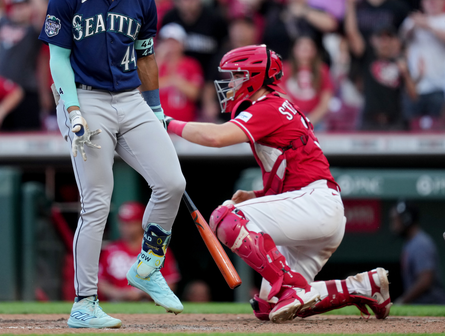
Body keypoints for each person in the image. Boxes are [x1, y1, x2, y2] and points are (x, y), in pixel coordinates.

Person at [162, 45, 391, 323]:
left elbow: (216, 138)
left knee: (225, 217)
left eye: (236, 76)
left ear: (254, 78)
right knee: (268, 308)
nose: (230, 83)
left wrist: (167, 123)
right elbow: (292, 172)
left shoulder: (268, 106)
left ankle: (289, 286)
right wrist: (257, 195)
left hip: (315, 204)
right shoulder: (278, 105)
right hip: (314, 207)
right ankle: (364, 288)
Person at [38, 0, 187, 328]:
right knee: (97, 203)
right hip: (85, 97)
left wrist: (155, 108)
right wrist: (72, 110)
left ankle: (147, 266)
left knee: (172, 182)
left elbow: (145, 56)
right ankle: (84, 303)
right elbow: (58, 59)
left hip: (130, 98)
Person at [98, 202, 181, 302]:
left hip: (149, 304)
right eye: (122, 223)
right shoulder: (110, 250)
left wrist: (142, 293)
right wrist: (120, 294)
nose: (125, 228)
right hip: (117, 303)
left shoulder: (157, 249)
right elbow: (101, 283)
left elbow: (170, 282)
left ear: (142, 223)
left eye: (131, 223)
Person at [0, 0, 45, 131]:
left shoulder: (33, 29)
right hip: (1, 91)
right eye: (16, 6)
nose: (19, 10)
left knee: (28, 138)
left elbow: (44, 14)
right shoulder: (4, 22)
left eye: (23, 6)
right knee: (2, 139)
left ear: (30, 8)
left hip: (25, 91)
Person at [260, 0, 338, 63]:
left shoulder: (314, 11)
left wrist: (304, 12)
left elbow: (332, 25)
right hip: (278, 61)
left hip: (310, 63)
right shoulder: (276, 9)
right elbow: (250, 3)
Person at [358, 26, 418, 130]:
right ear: (373, 40)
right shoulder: (367, 57)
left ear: (393, 41)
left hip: (395, 121)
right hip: (370, 121)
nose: (384, 42)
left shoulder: (400, 62)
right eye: (380, 38)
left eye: (388, 38)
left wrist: (406, 74)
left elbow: (414, 96)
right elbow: (352, 34)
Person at [399, 0, 445, 123]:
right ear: (422, 3)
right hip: (415, 87)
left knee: (439, 131)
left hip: (440, 86)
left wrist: (428, 25)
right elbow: (401, 39)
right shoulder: (413, 20)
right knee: (412, 129)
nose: (432, 2)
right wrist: (414, 25)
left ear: (442, 0)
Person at [389, 201, 445, 304]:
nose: (394, 224)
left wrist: (402, 301)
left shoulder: (420, 243)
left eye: (396, 219)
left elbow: (425, 280)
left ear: (406, 219)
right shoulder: (410, 243)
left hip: (432, 304)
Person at [280, 36, 335, 128]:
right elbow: (280, 94)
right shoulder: (284, 69)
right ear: (294, 50)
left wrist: (309, 121)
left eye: (308, 45)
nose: (305, 48)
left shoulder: (322, 70)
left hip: (315, 120)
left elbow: (325, 103)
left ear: (315, 50)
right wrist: (296, 118)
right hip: (289, 117)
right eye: (301, 45)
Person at [156, 23, 203, 123]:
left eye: (174, 42)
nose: (170, 46)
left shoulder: (191, 64)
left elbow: (194, 93)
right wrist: (159, 57)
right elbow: (145, 88)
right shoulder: (156, 64)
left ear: (182, 44)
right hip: (158, 124)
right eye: (166, 42)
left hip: (184, 124)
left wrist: (174, 81)